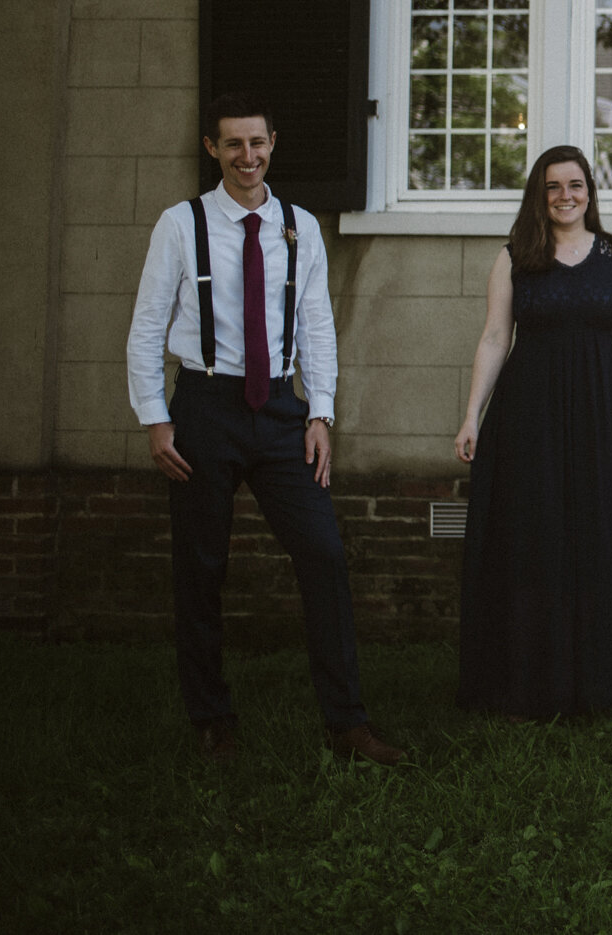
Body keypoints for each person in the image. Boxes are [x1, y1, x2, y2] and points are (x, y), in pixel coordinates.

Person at [126, 93, 402, 765]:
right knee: (201, 567)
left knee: (324, 556)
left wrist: (320, 412)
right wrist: (155, 418)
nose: (247, 156)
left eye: (257, 143)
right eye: (233, 144)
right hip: (203, 409)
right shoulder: (180, 224)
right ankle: (212, 720)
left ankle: (346, 723)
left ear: (273, 143)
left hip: (280, 412)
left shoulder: (300, 226)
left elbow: (315, 327)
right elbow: (146, 326)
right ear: (211, 149)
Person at [454, 145, 612, 717]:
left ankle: (596, 679)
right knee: (532, 538)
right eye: (552, 187)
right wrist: (472, 412)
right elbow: (495, 337)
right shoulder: (515, 257)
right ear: (538, 195)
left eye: (575, 185)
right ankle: (528, 680)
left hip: (600, 414)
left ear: (590, 192)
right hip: (527, 417)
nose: (565, 196)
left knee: (594, 533)